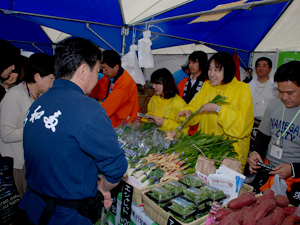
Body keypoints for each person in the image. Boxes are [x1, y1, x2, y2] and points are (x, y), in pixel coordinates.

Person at [18, 38, 128, 225]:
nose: (98, 77)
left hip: (32, 207)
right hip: (65, 216)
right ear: (84, 70)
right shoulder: (87, 108)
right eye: (97, 71)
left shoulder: (39, 103)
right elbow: (117, 167)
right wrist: (103, 187)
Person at [178, 52, 254, 172]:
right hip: (207, 150)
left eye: (216, 70)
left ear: (228, 70)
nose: (211, 74)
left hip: (231, 153)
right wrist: (188, 113)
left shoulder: (242, 89)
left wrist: (218, 109)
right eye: (209, 69)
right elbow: (195, 107)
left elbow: (244, 125)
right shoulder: (207, 86)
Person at [0, 53, 55, 198]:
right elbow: (6, 134)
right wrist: (33, 128)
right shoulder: (14, 96)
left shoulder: (40, 96)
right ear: (37, 77)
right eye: (51, 78)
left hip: (29, 162)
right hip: (14, 166)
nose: (52, 83)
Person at [248, 61, 300, 206]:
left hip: (295, 179)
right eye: (280, 91)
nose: (284, 97)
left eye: (290, 93)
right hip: (268, 170)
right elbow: (263, 135)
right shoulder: (274, 105)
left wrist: (293, 168)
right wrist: (255, 152)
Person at [89, 50, 140, 127]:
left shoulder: (125, 83)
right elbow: (96, 93)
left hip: (125, 124)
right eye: (101, 68)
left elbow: (110, 106)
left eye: (105, 68)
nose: (103, 71)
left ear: (116, 67)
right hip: (113, 120)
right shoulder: (108, 77)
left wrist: (90, 116)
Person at [143, 68, 188, 134]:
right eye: (152, 83)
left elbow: (184, 130)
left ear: (166, 83)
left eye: (156, 83)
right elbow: (149, 113)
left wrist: (164, 123)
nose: (153, 86)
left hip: (170, 142)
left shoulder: (179, 104)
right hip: (155, 137)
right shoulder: (154, 98)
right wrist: (149, 119)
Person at [248, 57, 278, 151]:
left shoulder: (275, 86)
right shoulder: (248, 85)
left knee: (263, 148)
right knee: (250, 148)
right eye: (258, 66)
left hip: (267, 123)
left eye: (264, 66)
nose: (261, 68)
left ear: (270, 69)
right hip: (251, 122)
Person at [177, 51, 208, 135]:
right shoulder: (183, 82)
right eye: (189, 62)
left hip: (198, 127)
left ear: (202, 63)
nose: (191, 65)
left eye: (194, 62)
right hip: (182, 123)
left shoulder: (207, 84)